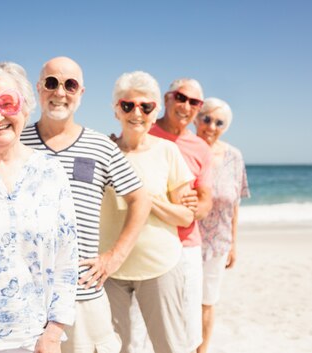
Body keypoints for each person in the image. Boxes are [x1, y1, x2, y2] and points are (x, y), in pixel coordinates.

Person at [20, 56, 152, 353]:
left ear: (81, 93)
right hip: (26, 296)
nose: (60, 92)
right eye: (51, 83)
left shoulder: (100, 146)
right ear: (39, 89)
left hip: (83, 296)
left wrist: (114, 257)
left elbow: (140, 199)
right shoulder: (16, 140)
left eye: (70, 84)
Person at [0, 61, 79, 353]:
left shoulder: (50, 171)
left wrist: (53, 334)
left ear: (26, 108)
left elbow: (67, 258)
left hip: (36, 341)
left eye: (8, 103)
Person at [100, 71, 195, 353]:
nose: (136, 113)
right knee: (117, 347)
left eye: (146, 106)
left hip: (160, 267)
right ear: (116, 109)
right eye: (127, 105)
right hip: (110, 271)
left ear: (156, 112)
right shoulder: (102, 151)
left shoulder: (168, 152)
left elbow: (186, 216)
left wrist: (146, 199)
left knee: (171, 346)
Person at [149, 78, 213, 352]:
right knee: (142, 327)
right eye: (181, 98)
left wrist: (193, 210)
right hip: (148, 242)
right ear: (167, 98)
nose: (186, 106)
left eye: (194, 102)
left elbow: (206, 199)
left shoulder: (200, 147)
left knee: (186, 329)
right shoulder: (145, 133)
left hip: (186, 246)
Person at [194, 98, 250, 353]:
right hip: (184, 238)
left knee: (207, 301)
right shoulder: (185, 149)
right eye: (206, 119)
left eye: (219, 122)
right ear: (197, 118)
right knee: (183, 301)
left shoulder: (234, 156)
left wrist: (233, 244)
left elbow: (235, 204)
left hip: (218, 243)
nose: (211, 126)